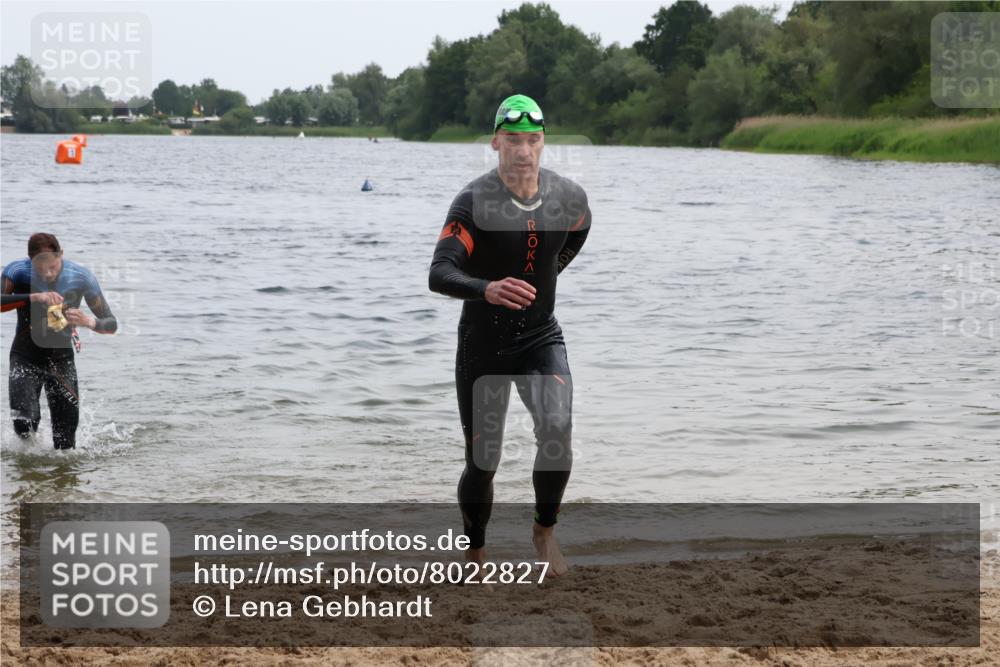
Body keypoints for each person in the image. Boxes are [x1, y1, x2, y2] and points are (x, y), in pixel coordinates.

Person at [429, 94, 591, 576]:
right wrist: (488, 288)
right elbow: (440, 272)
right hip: (483, 342)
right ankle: (475, 553)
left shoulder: (569, 198)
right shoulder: (474, 202)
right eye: (514, 140)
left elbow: (578, 232)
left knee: (558, 433)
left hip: (541, 334)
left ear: (544, 143)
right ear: (496, 141)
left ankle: (544, 532)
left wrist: (549, 275)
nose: (524, 150)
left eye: (534, 140)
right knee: (484, 459)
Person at [2, 233, 117, 450]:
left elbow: (111, 324)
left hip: (61, 361)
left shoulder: (81, 277)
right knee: (24, 424)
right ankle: (28, 476)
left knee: (65, 443)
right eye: (40, 268)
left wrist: (88, 321)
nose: (47, 273)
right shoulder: (17, 271)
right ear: (29, 259)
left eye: (53, 267)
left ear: (61, 254)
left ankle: (61, 480)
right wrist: (33, 297)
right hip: (25, 357)